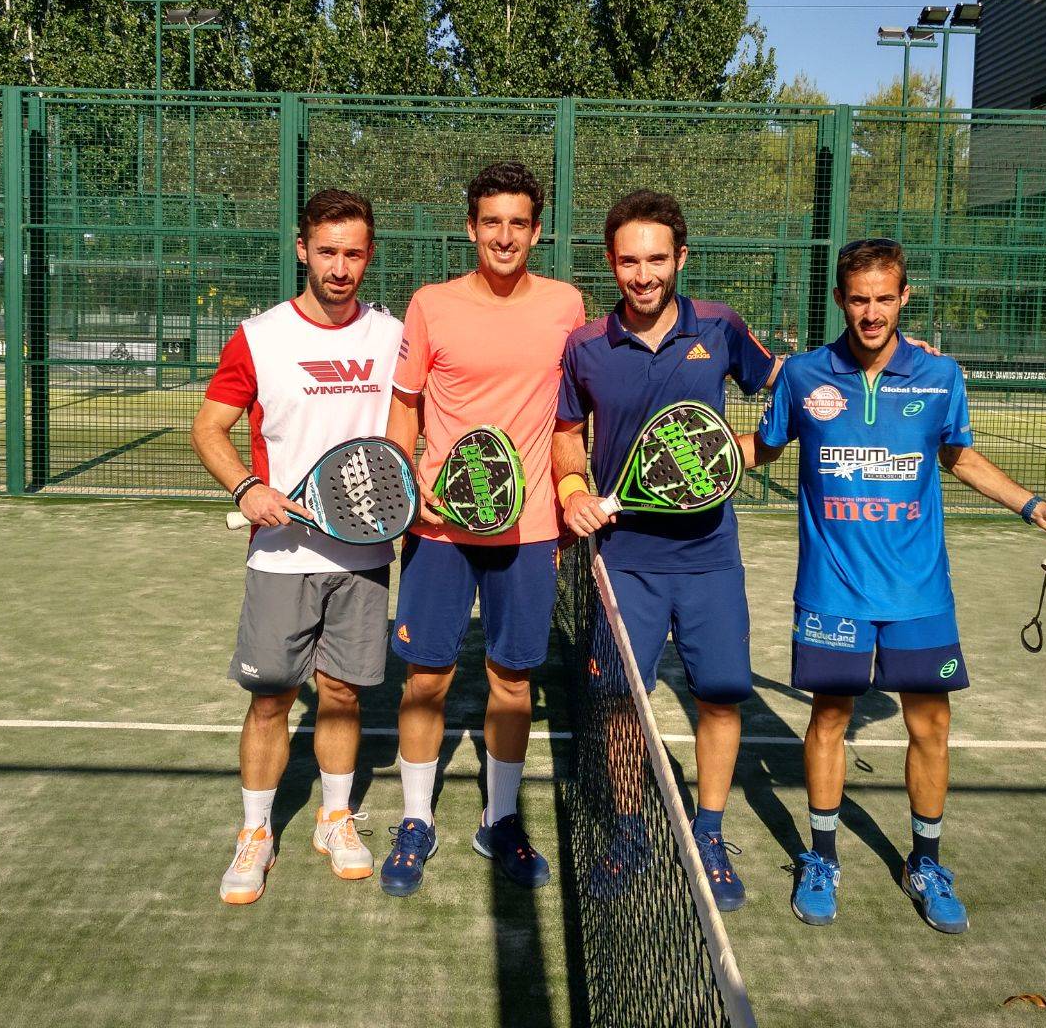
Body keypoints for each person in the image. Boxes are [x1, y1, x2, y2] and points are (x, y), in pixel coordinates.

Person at [746, 237, 1046, 933]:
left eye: (884, 299)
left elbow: (959, 456)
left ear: (904, 297)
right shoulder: (803, 376)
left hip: (918, 592)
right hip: (832, 587)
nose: (871, 313)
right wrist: (692, 463)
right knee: (829, 718)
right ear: (839, 300)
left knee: (930, 723)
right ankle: (821, 858)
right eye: (858, 299)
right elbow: (763, 448)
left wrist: (1035, 508)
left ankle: (925, 862)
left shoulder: (939, 375)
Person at [553, 189, 777, 911]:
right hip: (624, 560)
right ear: (610, 262)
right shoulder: (585, 346)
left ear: (680, 257)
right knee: (620, 702)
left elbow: (789, 387)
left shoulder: (720, 325)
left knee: (719, 696)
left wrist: (745, 452)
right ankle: (628, 830)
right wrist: (572, 489)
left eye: (656, 259)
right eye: (628, 261)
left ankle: (708, 833)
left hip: (711, 557)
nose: (643, 275)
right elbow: (566, 435)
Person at [191, 189, 404, 905]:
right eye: (327, 251)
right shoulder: (259, 336)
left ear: (368, 256)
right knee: (272, 698)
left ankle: (334, 819)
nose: (340, 267)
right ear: (301, 248)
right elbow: (208, 429)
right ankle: (255, 832)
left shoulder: (392, 335)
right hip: (281, 556)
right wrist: (246, 487)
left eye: (354, 254)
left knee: (342, 694)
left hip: (364, 555)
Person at [380, 161, 586, 897]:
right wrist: (407, 487)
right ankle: (415, 820)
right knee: (426, 677)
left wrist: (570, 490)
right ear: (471, 228)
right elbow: (404, 406)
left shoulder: (566, 305)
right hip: (440, 531)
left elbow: (568, 418)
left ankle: (499, 819)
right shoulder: (431, 304)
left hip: (528, 531)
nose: (504, 236)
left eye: (518, 223)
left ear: (537, 230)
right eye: (491, 222)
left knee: (512, 680)